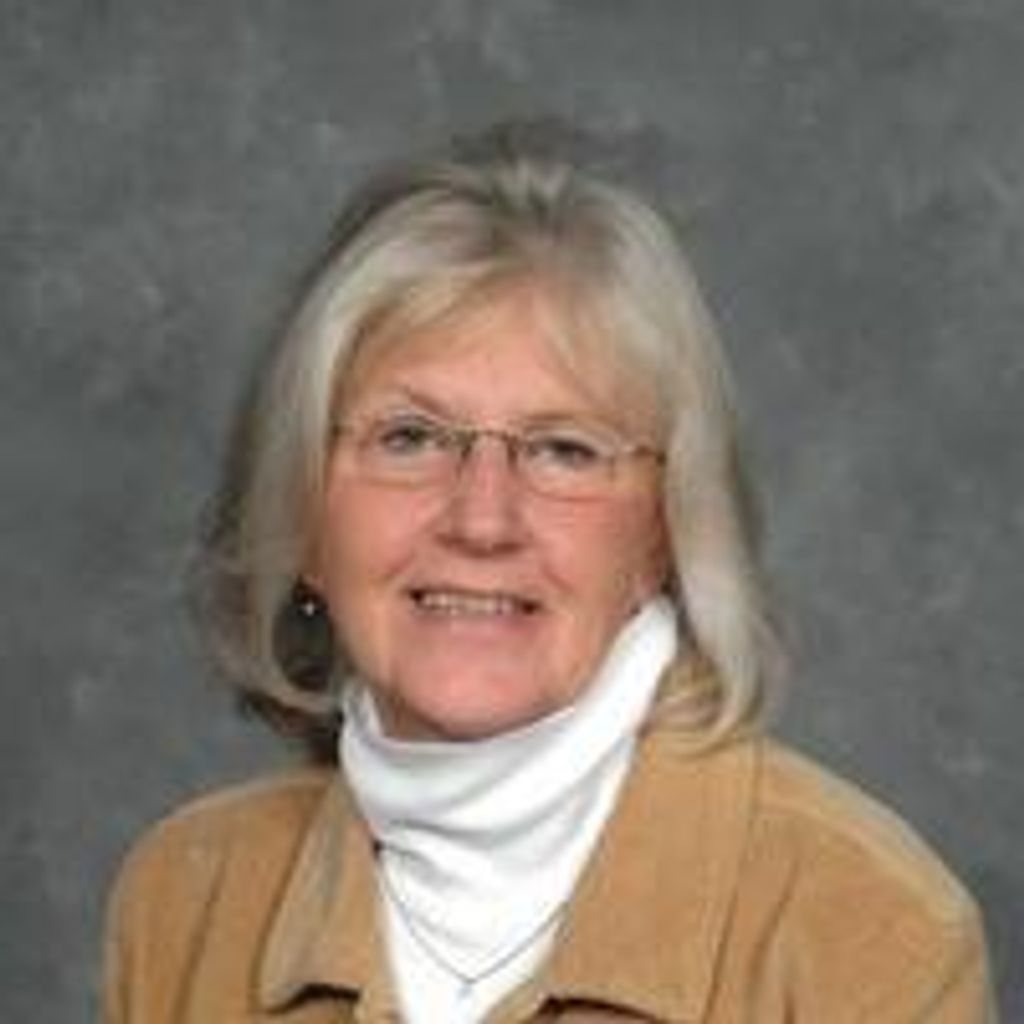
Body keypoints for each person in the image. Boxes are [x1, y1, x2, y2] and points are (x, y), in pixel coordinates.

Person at [102, 128, 995, 1023]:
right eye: (409, 438)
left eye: (564, 449)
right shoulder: (187, 899)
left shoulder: (871, 931)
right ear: (301, 514)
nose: (481, 519)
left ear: (663, 534)